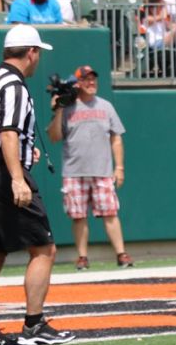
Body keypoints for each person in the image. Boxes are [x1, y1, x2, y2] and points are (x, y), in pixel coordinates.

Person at [0, 24, 74, 345]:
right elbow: (9, 133)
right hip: (3, 175)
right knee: (44, 248)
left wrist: (25, 150)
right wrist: (17, 174)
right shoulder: (14, 86)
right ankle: (34, 325)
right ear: (32, 52)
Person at [46, 65, 131, 270]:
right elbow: (54, 137)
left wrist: (119, 167)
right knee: (78, 216)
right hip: (74, 172)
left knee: (110, 213)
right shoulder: (68, 108)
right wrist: (58, 110)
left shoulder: (106, 106)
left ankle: (121, 254)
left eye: (93, 79)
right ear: (77, 83)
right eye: (86, 79)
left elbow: (116, 138)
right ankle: (82, 257)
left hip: (102, 170)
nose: (91, 83)